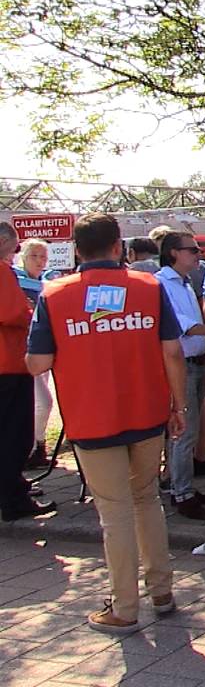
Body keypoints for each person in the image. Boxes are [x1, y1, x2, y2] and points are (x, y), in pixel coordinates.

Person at [25, 212, 184, 633]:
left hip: (91, 417)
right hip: (147, 412)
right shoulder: (149, 287)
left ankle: (125, 608)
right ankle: (162, 590)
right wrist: (179, 406)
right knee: (147, 499)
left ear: (76, 251)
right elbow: (172, 351)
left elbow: (37, 361)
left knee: (113, 514)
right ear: (120, 248)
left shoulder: (54, 294)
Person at [155, 231, 205, 520]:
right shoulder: (162, 284)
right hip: (180, 364)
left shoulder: (183, 283)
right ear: (173, 253)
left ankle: (178, 485)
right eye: (192, 250)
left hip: (196, 361)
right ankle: (181, 493)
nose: (198, 255)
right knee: (184, 429)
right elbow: (185, 326)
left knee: (188, 428)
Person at [1, 223, 56, 522]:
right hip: (9, 363)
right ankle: (13, 498)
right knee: (15, 433)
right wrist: (30, 313)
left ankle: (11, 489)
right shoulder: (2, 271)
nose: (16, 252)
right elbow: (12, 313)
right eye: (15, 246)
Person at [15, 239, 54, 470]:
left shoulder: (47, 283)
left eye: (43, 257)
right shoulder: (15, 281)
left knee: (39, 402)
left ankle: (37, 447)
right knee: (43, 402)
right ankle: (30, 450)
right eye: (34, 256)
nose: (40, 261)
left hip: (43, 349)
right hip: (22, 352)